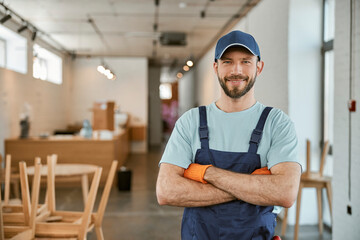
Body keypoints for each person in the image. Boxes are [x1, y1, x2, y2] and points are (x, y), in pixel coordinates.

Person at [156, 30, 302, 239]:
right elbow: (166, 190)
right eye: (227, 61)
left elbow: (285, 193)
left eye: (245, 61)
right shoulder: (191, 122)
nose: (236, 70)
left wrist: (206, 174)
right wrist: (255, 187)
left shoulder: (277, 123)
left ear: (258, 67)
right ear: (215, 67)